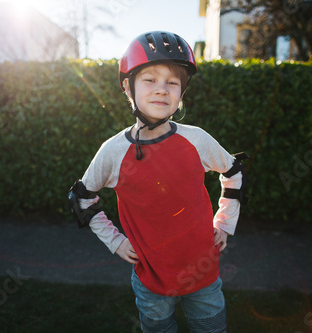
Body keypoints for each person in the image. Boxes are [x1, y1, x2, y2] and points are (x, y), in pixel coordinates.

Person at [68, 31, 247, 333]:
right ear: (128, 87)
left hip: (202, 273)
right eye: (150, 79)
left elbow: (234, 172)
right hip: (150, 277)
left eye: (172, 82)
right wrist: (116, 242)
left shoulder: (196, 139)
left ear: (181, 94)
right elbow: (81, 199)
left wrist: (225, 223)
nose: (161, 90)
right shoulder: (114, 151)